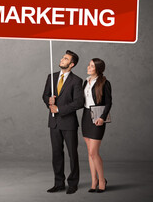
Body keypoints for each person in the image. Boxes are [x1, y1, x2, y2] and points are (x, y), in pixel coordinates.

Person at [43, 50, 84, 194]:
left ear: (71, 64)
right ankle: (58, 183)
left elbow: (79, 102)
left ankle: (73, 184)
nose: (62, 59)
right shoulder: (51, 77)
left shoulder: (77, 81)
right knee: (56, 154)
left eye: (65, 58)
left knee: (72, 154)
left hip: (69, 123)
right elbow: (45, 95)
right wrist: (49, 101)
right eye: (62, 57)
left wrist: (59, 108)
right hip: (54, 123)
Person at [81, 58, 112, 193]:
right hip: (86, 116)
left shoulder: (104, 82)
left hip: (98, 116)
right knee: (89, 153)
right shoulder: (85, 82)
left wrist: (102, 118)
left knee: (94, 152)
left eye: (92, 66)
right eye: (89, 64)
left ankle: (102, 180)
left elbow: (109, 103)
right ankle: (93, 181)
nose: (88, 67)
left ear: (98, 69)